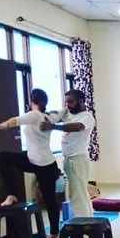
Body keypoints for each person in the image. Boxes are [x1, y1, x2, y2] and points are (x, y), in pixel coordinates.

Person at [0, 88, 62, 238]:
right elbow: (62, 112)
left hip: (45, 166)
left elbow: (15, 120)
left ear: (31, 100)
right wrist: (64, 110)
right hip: (34, 159)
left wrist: (1, 125)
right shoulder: (49, 116)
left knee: (49, 199)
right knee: (3, 157)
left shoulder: (34, 115)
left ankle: (55, 233)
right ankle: (11, 194)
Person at [41, 90, 95, 218]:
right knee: (81, 193)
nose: (67, 105)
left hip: (77, 159)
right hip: (70, 159)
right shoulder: (69, 113)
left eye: (70, 102)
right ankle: (88, 221)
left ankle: (82, 224)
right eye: (66, 102)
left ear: (81, 101)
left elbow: (78, 127)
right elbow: (57, 115)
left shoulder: (87, 116)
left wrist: (53, 127)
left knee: (77, 195)